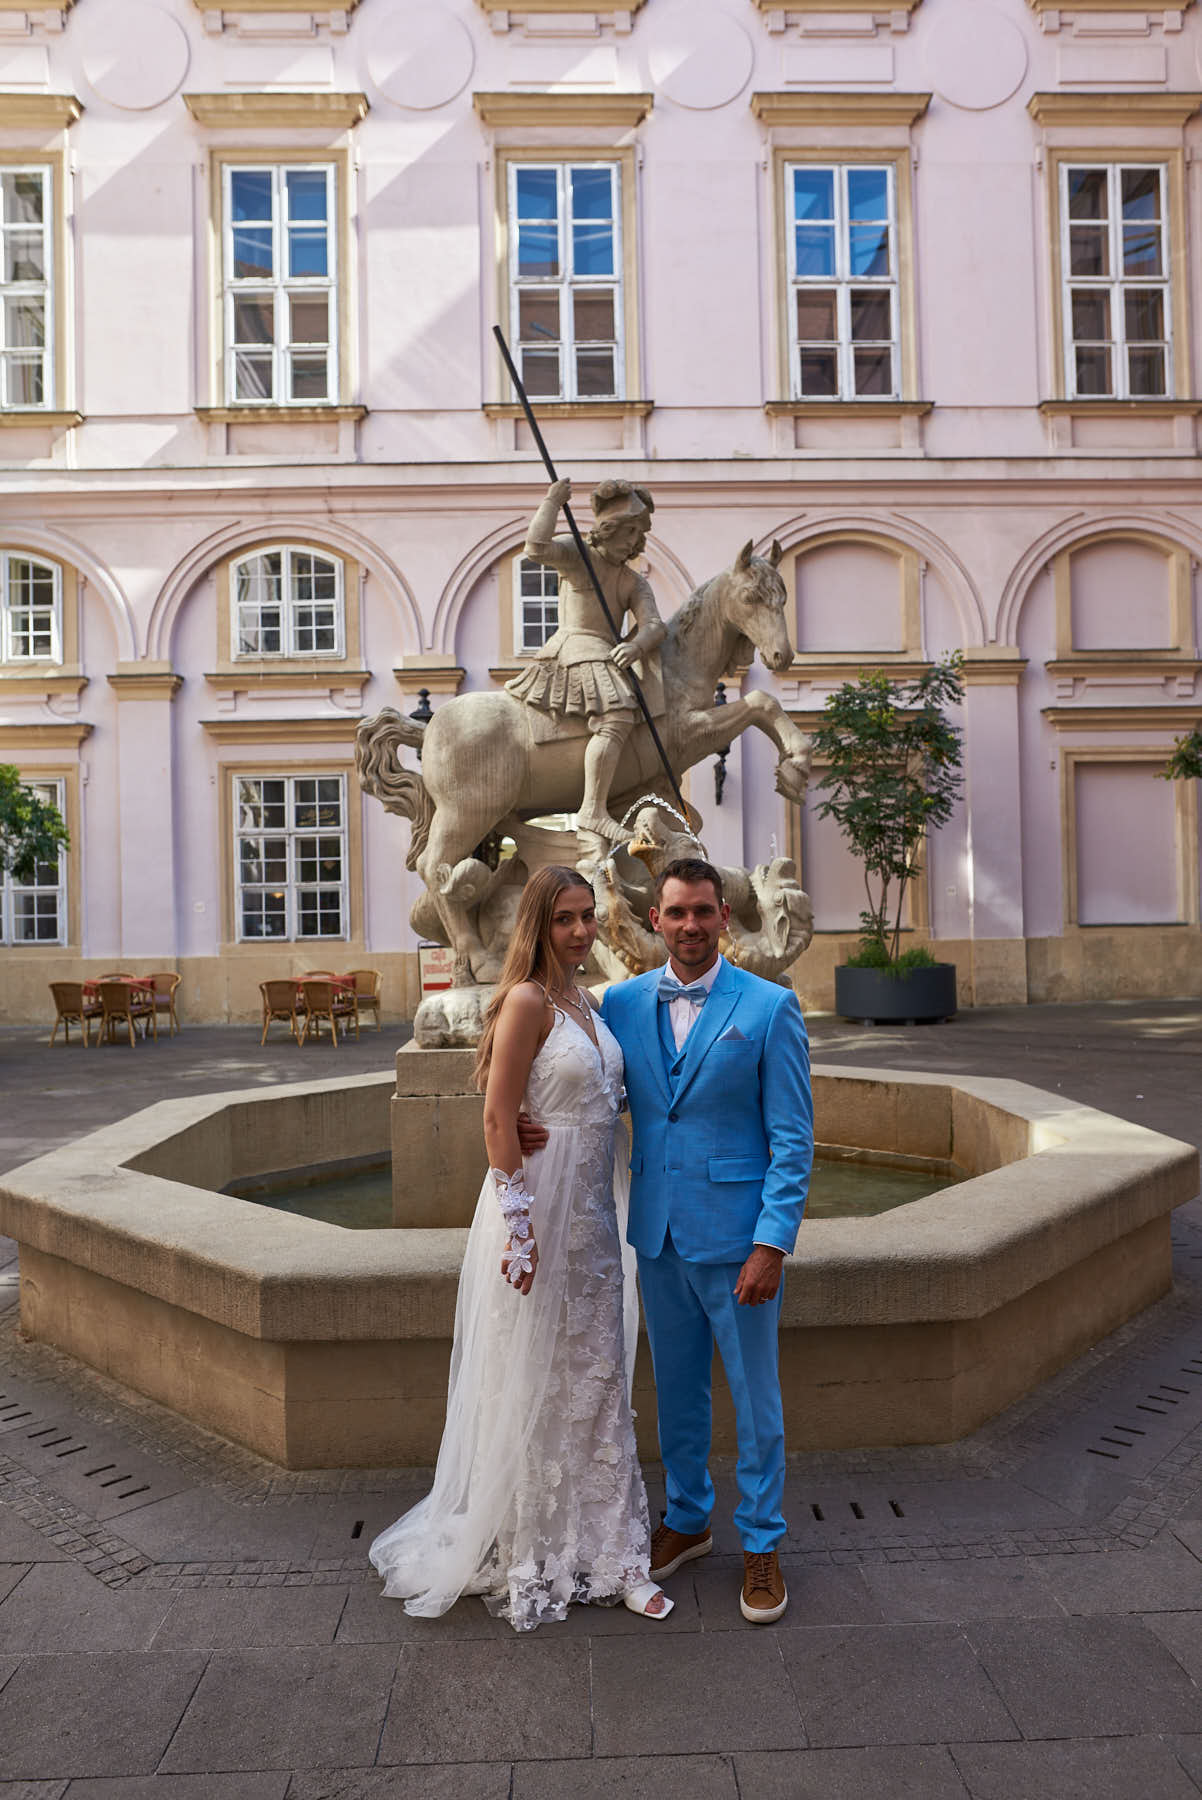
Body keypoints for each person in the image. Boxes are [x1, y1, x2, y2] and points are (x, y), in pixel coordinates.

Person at [370, 864, 671, 1631]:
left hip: (596, 1217)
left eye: (586, 916)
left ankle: (614, 1554)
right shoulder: (527, 1002)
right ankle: (536, 1549)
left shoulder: (590, 1004)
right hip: (537, 1208)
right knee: (531, 1374)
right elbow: (499, 1119)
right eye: (565, 918)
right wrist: (518, 1227)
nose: (580, 931)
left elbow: (601, 1098)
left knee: (597, 1378)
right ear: (538, 923)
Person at [520, 855, 813, 1622]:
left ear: (724, 917)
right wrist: (522, 1120)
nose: (689, 926)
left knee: (757, 1400)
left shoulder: (771, 1007)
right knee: (676, 1394)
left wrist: (771, 1243)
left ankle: (761, 1542)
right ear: (656, 919)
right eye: (676, 912)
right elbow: (552, 1060)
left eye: (703, 912)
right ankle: (687, 1521)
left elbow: (793, 1140)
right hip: (654, 1235)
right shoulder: (618, 1004)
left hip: (739, 1239)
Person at [506, 477, 667, 848]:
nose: (632, 541)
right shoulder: (579, 555)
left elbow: (655, 625)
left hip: (607, 652)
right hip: (576, 647)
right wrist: (551, 501)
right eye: (627, 530)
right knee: (616, 717)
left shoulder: (631, 580)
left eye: (637, 533)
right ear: (608, 528)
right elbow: (536, 548)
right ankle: (593, 810)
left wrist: (638, 645)